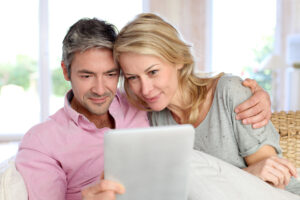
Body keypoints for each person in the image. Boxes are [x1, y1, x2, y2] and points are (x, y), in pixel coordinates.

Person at [15, 17, 272, 200]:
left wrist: (252, 92)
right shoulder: (42, 141)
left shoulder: (141, 104)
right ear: (65, 71)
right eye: (86, 76)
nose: (100, 88)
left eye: (111, 74)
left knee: (179, 162)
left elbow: (182, 82)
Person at [112, 13, 300, 195]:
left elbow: (276, 179)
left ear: (177, 59)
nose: (145, 89)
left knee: (186, 162)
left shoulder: (228, 92)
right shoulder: (154, 119)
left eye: (153, 72)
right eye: (133, 78)